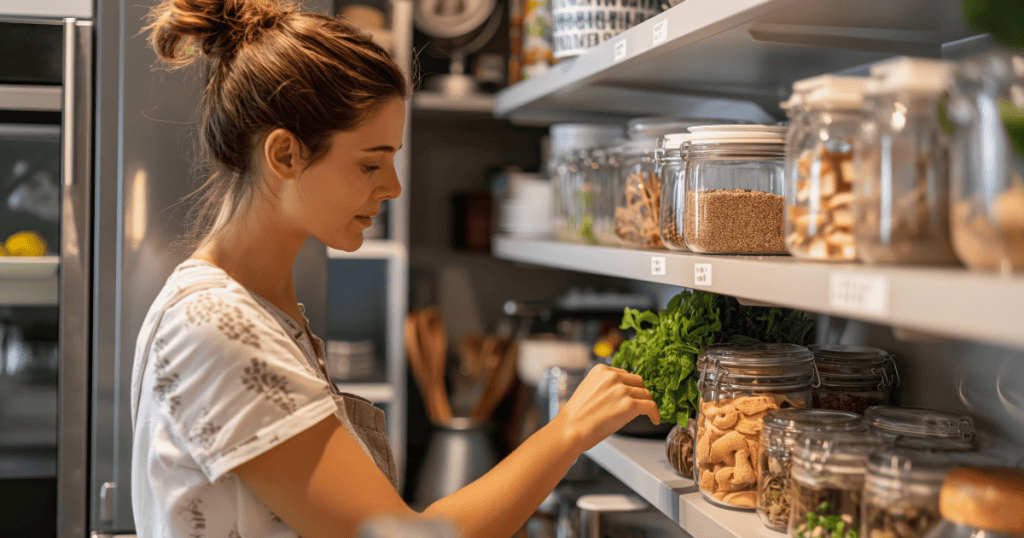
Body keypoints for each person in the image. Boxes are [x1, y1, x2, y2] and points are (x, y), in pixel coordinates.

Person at [130, 1, 661, 537]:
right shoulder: (219, 327)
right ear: (285, 155)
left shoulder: (260, 310)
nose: (393, 187)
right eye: (370, 163)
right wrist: (568, 430)